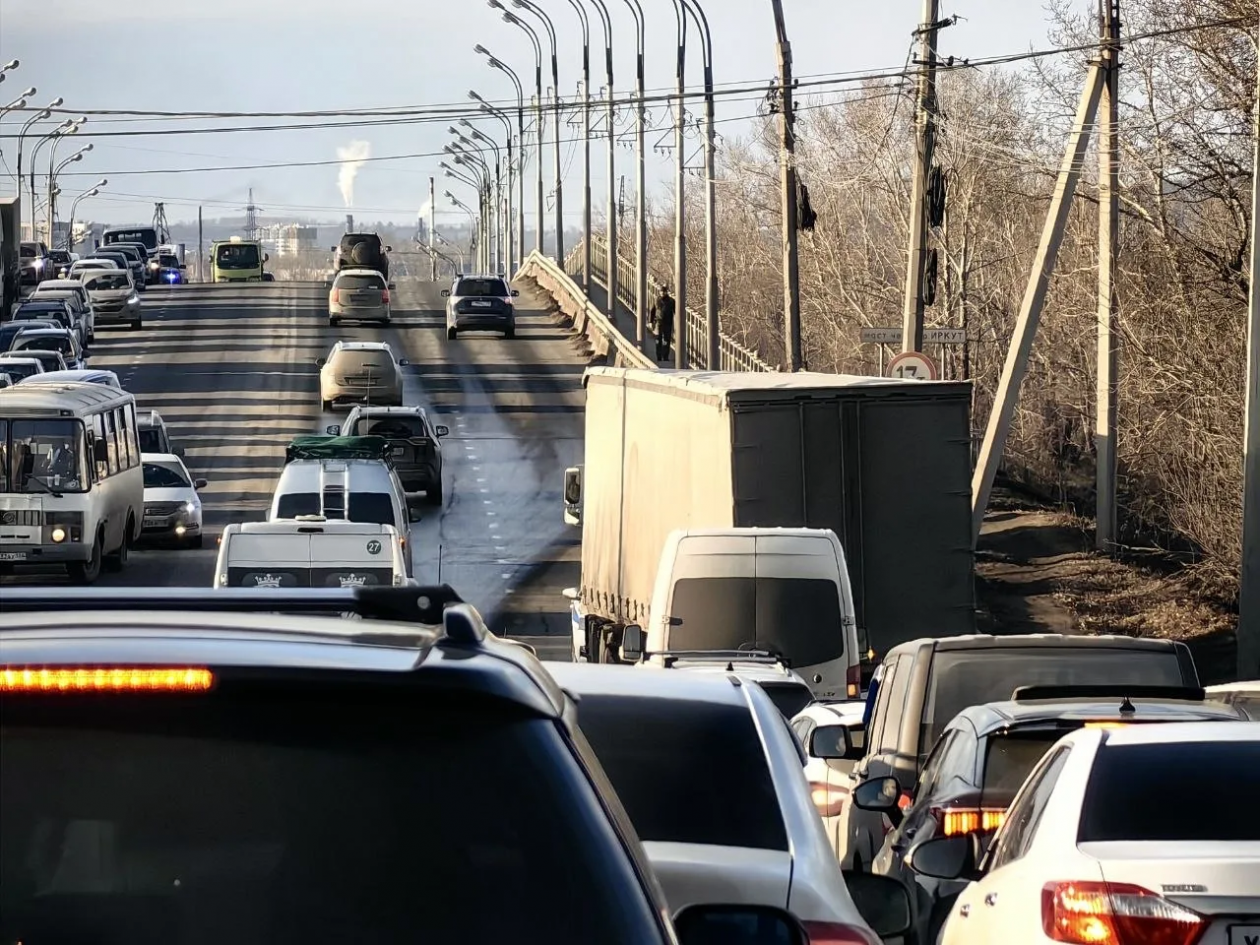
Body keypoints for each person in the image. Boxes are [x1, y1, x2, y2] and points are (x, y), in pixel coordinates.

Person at [650, 286, 675, 362]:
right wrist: (651, 322)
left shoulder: (671, 301)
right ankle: (659, 356)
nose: (662, 293)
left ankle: (665, 356)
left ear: (666, 292)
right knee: (658, 339)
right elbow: (653, 311)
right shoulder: (657, 300)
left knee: (666, 340)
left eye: (663, 292)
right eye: (661, 291)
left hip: (668, 322)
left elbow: (675, 311)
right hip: (658, 322)